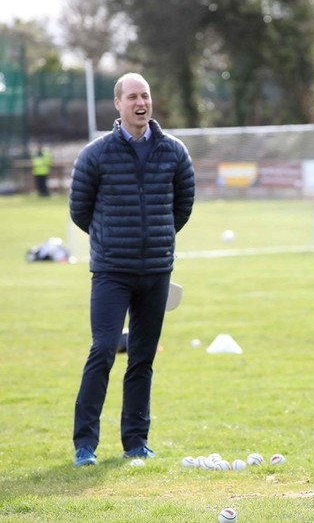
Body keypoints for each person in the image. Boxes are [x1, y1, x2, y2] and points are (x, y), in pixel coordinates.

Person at [69, 72, 195, 466]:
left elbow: (183, 206)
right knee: (103, 350)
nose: (141, 103)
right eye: (133, 97)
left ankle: (135, 442)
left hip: (156, 271)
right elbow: (80, 210)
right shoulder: (96, 154)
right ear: (118, 104)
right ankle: (85, 444)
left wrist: (155, 238)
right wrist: (112, 239)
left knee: (142, 358)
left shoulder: (174, 152)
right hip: (111, 271)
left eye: (146, 95)